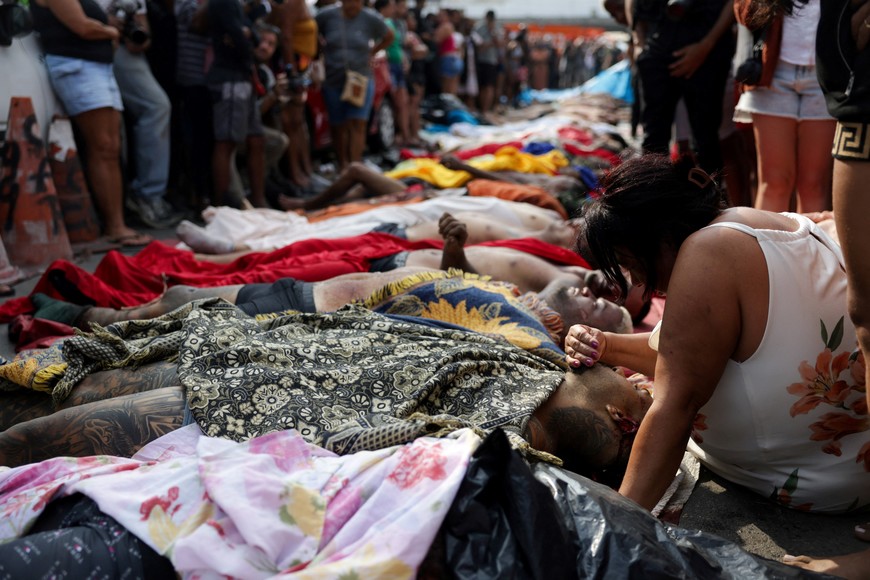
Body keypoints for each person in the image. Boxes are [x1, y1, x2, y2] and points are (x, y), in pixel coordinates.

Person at [562, 154, 868, 516]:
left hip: (816, 481)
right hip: (853, 464)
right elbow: (695, 355)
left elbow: (676, 405)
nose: (638, 282)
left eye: (631, 264)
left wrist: (621, 522)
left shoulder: (707, 253)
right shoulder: (769, 222)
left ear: (660, 237)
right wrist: (607, 345)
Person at [28, 0, 151, 246]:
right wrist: (110, 31)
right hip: (78, 68)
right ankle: (115, 225)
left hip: (95, 67)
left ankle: (117, 223)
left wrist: (106, 29)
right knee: (103, 146)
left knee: (111, 147)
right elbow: (82, 27)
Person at [734, 0, 834, 213]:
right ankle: (769, 247)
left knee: (813, 185)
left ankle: (809, 247)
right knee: (774, 183)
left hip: (826, 78)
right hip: (773, 75)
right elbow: (744, 14)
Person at [95, 0, 179, 228]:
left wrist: (139, 39)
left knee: (156, 106)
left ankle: (148, 194)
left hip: (122, 49)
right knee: (110, 131)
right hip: (90, 45)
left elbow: (144, 31)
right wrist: (106, 24)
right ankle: (143, 196)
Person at [629, 0, 736, 174]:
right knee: (653, 141)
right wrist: (639, 43)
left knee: (706, 140)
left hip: (709, 52)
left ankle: (708, 199)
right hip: (658, 49)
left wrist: (707, 45)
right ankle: (650, 197)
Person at [315, 0, 393, 170]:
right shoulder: (326, 16)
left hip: (361, 79)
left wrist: (372, 53)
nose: (354, 5)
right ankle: (343, 165)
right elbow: (313, 32)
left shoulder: (370, 18)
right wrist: (319, 53)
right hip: (333, 78)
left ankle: (355, 166)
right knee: (337, 124)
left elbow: (389, 36)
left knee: (357, 122)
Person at [207, 0, 268, 208]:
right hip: (230, 78)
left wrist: (249, 35)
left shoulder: (237, 5)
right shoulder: (224, 3)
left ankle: (258, 199)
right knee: (227, 141)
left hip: (242, 76)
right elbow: (238, 36)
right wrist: (245, 38)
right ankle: (222, 206)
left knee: (256, 139)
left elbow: (251, 34)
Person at [267, 0, 318, 190]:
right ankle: (297, 175)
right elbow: (286, 37)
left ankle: (306, 172)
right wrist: (292, 75)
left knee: (299, 123)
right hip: (292, 67)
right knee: (292, 122)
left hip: (301, 67)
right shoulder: (292, 3)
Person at [377, 0, 411, 147]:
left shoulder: (390, 22)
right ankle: (400, 135)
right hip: (388, 65)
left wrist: (403, 59)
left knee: (402, 101)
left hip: (396, 65)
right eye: (390, 6)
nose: (393, 8)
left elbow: (398, 45)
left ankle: (405, 135)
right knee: (396, 102)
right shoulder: (379, 23)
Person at [472, 10, 502, 117]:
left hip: (491, 61)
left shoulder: (497, 28)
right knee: (480, 86)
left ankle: (486, 109)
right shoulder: (479, 27)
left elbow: (500, 44)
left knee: (489, 86)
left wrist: (492, 35)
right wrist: (489, 44)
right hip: (480, 60)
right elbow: (478, 45)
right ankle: (481, 109)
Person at [434, 8, 461, 95]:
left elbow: (436, 40)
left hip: (447, 58)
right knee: (452, 87)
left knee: (446, 89)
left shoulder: (445, 26)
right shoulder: (449, 26)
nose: (439, 17)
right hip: (453, 58)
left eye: (441, 15)